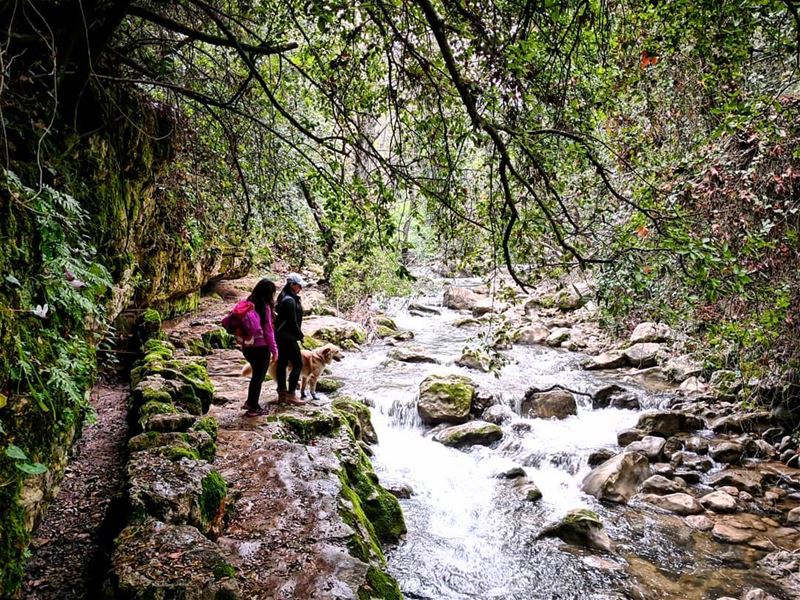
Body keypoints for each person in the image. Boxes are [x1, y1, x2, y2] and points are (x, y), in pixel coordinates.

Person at [223, 278, 278, 416]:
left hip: (247, 346)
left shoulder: (248, 303)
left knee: (255, 375)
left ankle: (250, 401)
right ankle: (253, 408)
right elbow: (268, 332)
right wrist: (274, 350)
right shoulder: (264, 307)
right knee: (258, 378)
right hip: (261, 347)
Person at [274, 272, 306, 405]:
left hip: (280, 336)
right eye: (299, 286)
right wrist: (300, 335)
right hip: (288, 337)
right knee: (298, 364)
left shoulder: (283, 297)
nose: (301, 288)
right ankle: (291, 394)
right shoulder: (290, 301)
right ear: (292, 285)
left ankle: (282, 394)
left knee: (282, 364)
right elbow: (292, 322)